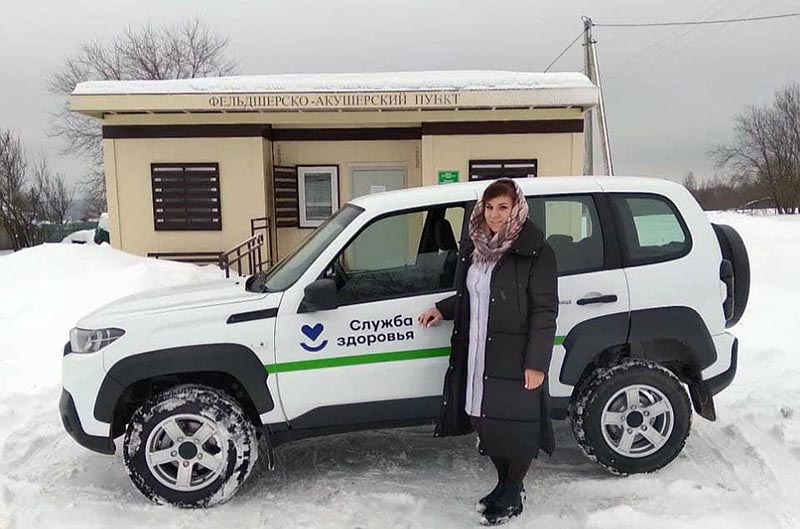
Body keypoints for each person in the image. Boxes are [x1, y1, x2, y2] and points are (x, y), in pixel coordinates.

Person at [418, 177, 559, 526]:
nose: (494, 215)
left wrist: (537, 363)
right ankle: (505, 483)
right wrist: (443, 309)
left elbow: (544, 311)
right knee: (485, 421)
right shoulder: (477, 247)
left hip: (515, 355)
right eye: (489, 207)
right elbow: (475, 294)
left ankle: (512, 490)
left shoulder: (536, 252)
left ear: (517, 209)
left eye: (503, 207)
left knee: (517, 426)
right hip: (479, 351)